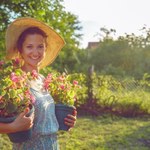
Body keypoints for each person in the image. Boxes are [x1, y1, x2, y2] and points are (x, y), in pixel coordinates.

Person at [4, 17, 77, 150]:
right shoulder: (14, 83)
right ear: (21, 50)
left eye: (40, 46)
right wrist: (12, 127)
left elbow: (47, 116)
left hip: (52, 145)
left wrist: (67, 121)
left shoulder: (44, 80)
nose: (35, 52)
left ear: (45, 49)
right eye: (29, 47)